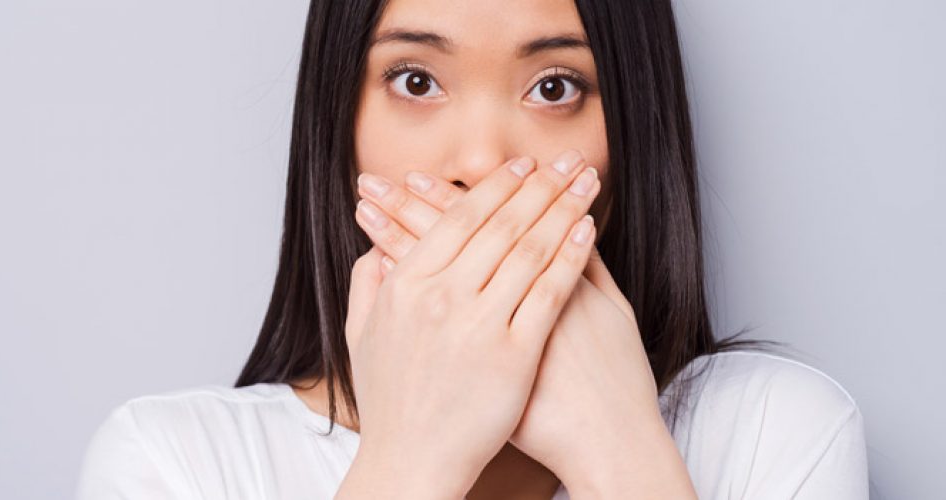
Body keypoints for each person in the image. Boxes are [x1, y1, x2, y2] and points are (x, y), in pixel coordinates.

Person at [78, 0, 869, 498]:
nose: (482, 163)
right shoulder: (174, 463)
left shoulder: (773, 429)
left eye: (555, 87)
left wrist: (623, 456)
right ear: (338, 123)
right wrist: (414, 458)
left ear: (630, 129)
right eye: (416, 81)